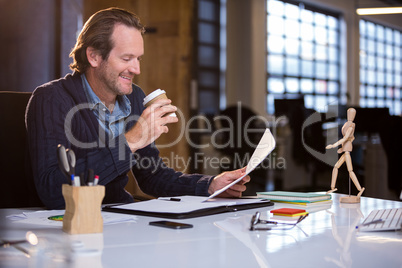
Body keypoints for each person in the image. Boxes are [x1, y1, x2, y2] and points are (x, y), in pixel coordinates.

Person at [26, 7, 250, 209]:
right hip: (72, 226)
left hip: (119, 220)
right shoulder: (51, 99)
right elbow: (52, 192)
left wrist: (210, 185)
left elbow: (153, 177)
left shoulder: (134, 98)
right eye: (127, 58)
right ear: (93, 56)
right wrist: (132, 140)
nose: (136, 69)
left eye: (138, 58)